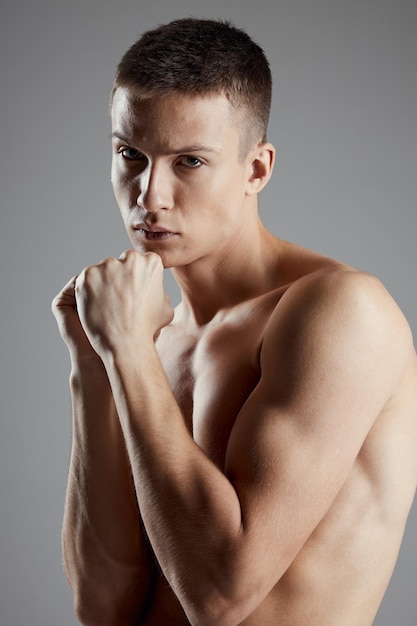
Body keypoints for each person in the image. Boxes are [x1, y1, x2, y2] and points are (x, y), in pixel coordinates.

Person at [52, 18, 417, 626]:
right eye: (130, 155)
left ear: (256, 169)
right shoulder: (146, 338)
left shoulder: (339, 310)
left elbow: (220, 597)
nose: (149, 197)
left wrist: (129, 356)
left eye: (189, 161)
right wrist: (95, 363)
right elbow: (101, 607)